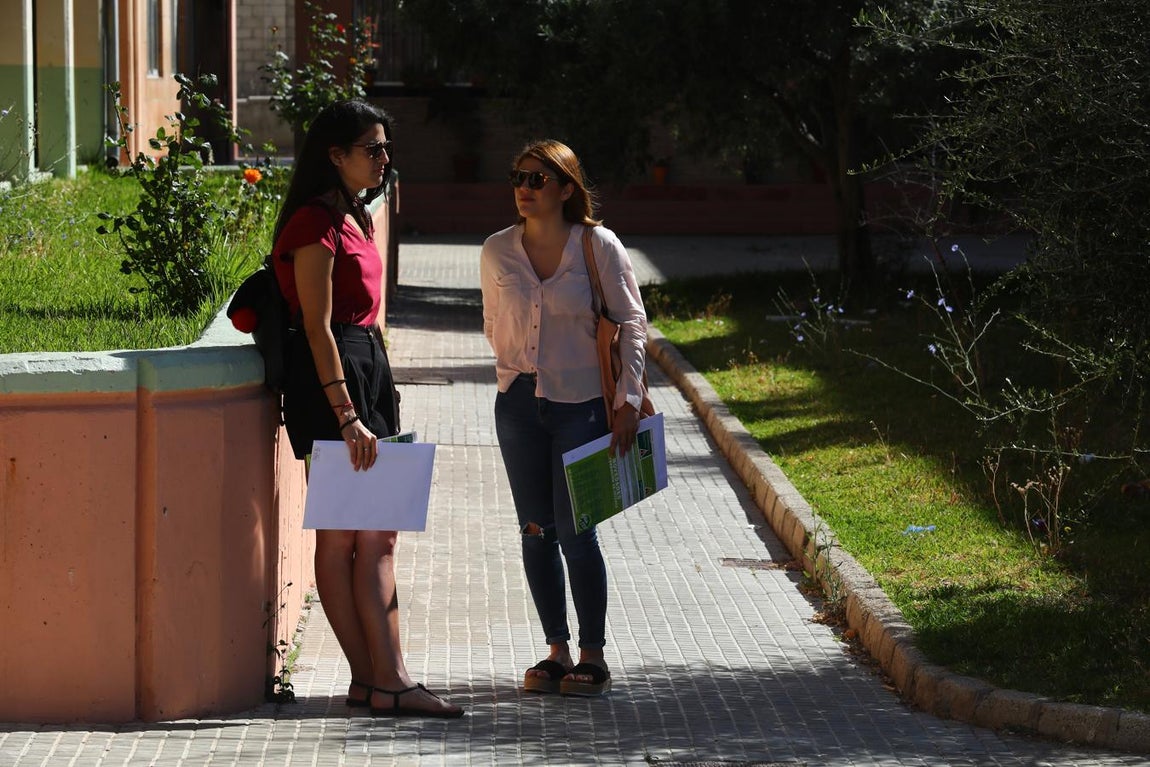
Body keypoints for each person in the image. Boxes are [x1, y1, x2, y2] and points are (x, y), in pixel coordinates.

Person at [271, 99, 463, 718]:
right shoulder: (313, 224)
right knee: (351, 538)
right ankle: (388, 678)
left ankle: (377, 681)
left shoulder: (354, 215)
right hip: (336, 379)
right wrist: (347, 414)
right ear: (335, 155)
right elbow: (318, 328)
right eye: (372, 149)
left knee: (372, 536)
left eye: (386, 148)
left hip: (367, 369)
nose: (385, 159)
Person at [479, 139, 649, 697]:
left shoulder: (596, 245)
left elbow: (632, 323)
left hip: (581, 407)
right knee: (535, 531)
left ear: (566, 189)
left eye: (537, 180)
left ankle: (591, 654)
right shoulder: (497, 250)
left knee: (577, 530)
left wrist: (626, 400)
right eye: (518, 178)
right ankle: (554, 649)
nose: (524, 189)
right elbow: (491, 323)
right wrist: (513, 373)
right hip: (518, 406)